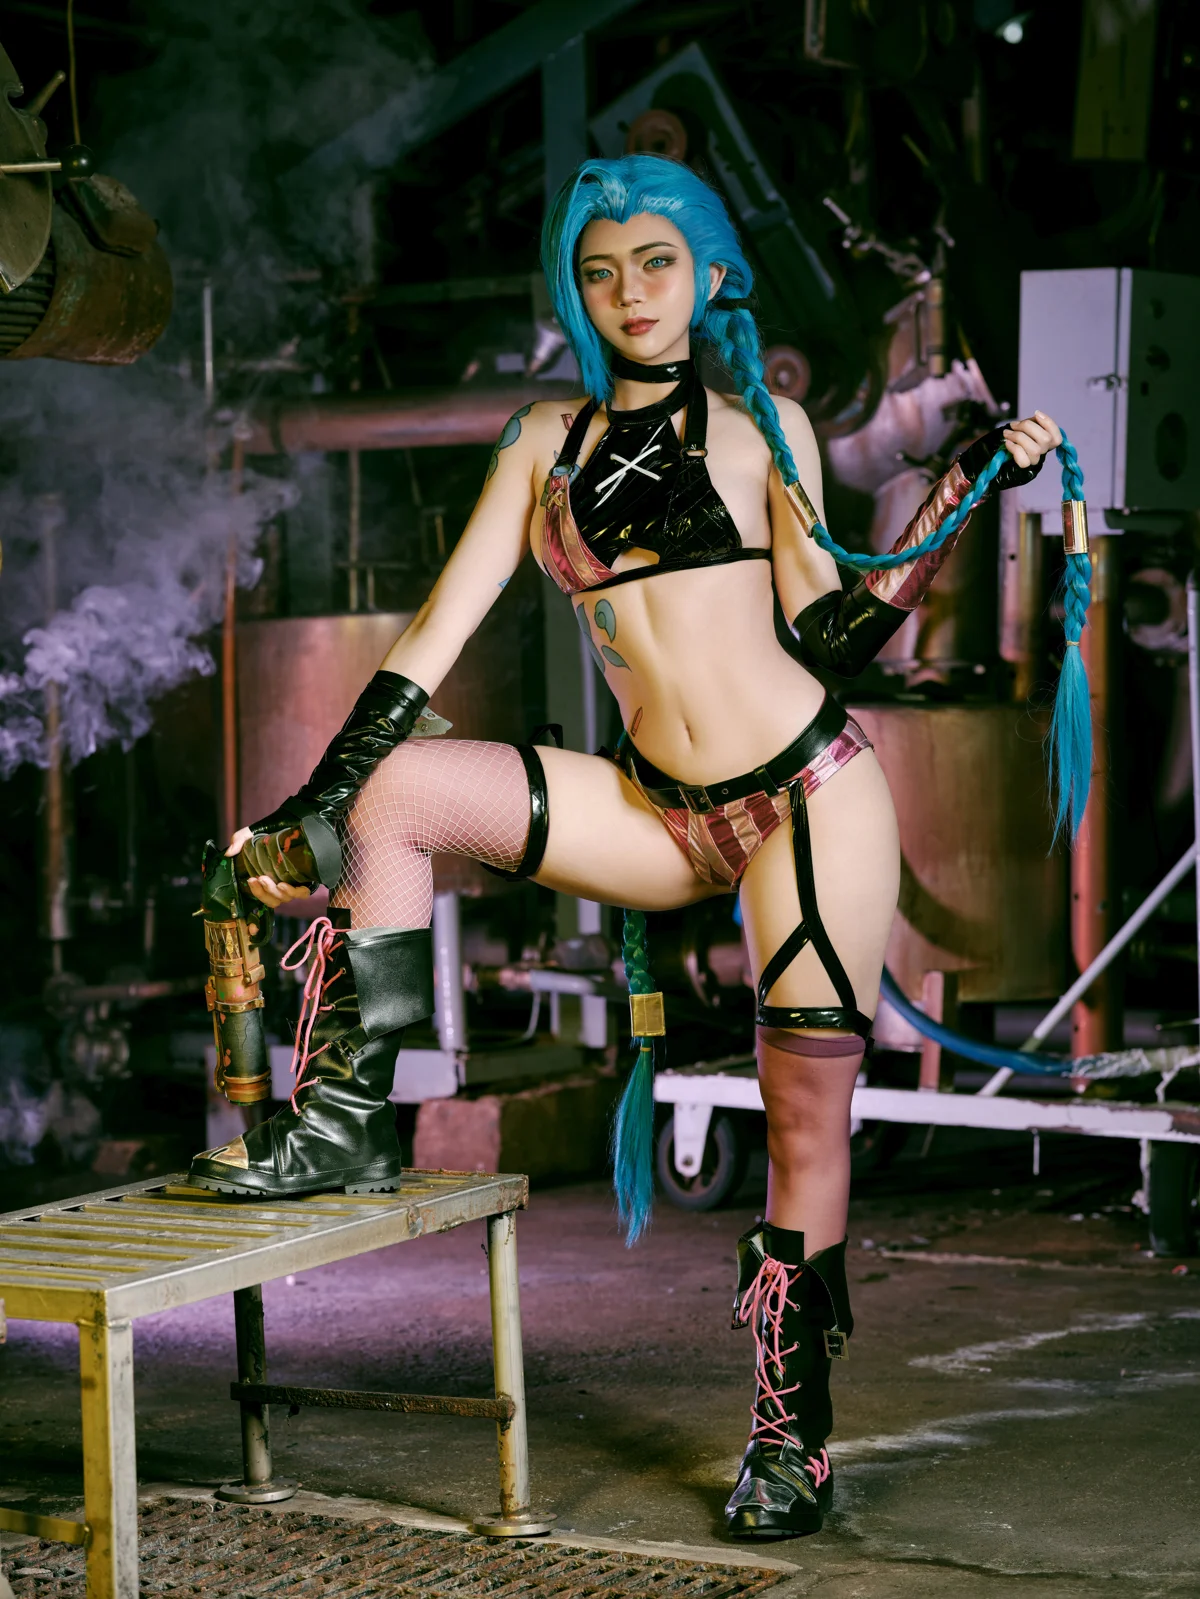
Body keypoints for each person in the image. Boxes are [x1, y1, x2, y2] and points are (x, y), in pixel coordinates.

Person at [188, 154, 1060, 1538]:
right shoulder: (542, 444)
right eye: (599, 272)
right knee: (395, 797)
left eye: (655, 263)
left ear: (709, 274)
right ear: (575, 292)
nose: (630, 293)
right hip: (656, 809)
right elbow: (435, 632)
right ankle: (350, 1123)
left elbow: (836, 633)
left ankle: (789, 1443)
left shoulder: (766, 426)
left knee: (800, 1113)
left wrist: (960, 485)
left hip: (807, 796)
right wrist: (318, 796)